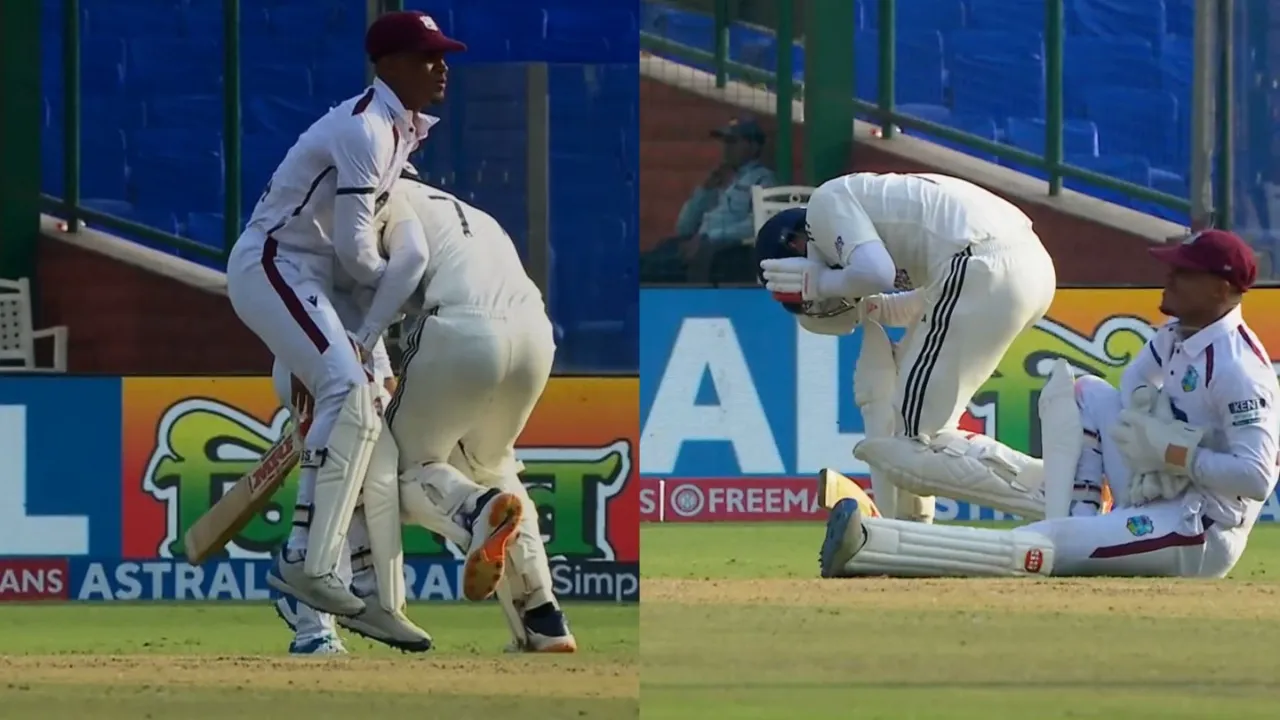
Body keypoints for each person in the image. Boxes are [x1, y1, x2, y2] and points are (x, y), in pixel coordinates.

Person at [820, 230, 1279, 579]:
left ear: (1222, 290)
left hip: (1198, 526)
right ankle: (1079, 518)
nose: (1170, 277)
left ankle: (876, 550)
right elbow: (1135, 384)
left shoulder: (1240, 371)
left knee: (1048, 542)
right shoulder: (1176, 337)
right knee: (1083, 391)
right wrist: (1145, 421)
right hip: (1156, 489)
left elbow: (1256, 479)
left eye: (1184, 272)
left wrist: (1173, 454)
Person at [223, 11, 464, 620]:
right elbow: (358, 251)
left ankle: (313, 558)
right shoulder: (366, 131)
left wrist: (375, 319)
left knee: (360, 404)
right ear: (387, 66)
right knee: (347, 393)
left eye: (441, 55)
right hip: (275, 264)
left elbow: (359, 253)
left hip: (321, 282)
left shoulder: (399, 127)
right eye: (425, 56)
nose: (440, 67)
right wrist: (401, 293)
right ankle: (309, 566)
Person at [755, 172, 1058, 524]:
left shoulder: (824, 204)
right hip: (1025, 267)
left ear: (795, 246)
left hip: (979, 264)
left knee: (913, 440)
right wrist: (869, 305)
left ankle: (1059, 499)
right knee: (919, 425)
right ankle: (1052, 488)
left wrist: (821, 282)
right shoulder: (874, 221)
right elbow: (926, 302)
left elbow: (876, 273)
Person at [384, 167, 577, 652]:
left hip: (462, 329)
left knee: (403, 469)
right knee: (493, 467)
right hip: (534, 333)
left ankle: (474, 513)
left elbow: (389, 276)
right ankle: (543, 616)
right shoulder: (473, 214)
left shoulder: (379, 199)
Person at [640, 117, 777, 284]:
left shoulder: (762, 179)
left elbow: (759, 224)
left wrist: (709, 237)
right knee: (646, 260)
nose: (727, 148)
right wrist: (705, 190)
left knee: (649, 270)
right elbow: (684, 226)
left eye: (733, 142)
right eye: (725, 142)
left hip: (725, 252)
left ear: (753, 146)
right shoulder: (723, 178)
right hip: (697, 245)